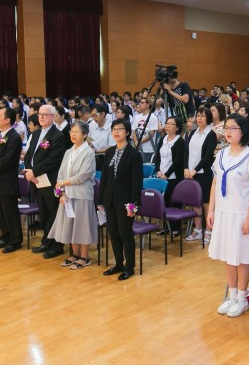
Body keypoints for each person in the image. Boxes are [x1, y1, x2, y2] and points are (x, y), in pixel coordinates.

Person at [209, 114, 249, 318]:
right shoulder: (222, 154)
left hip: (241, 214)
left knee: (241, 258)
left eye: (233, 128)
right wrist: (211, 210)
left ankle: (242, 298)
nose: (228, 132)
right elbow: (215, 183)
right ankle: (231, 296)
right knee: (228, 257)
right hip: (224, 212)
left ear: (244, 131)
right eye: (226, 128)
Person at [99, 118, 143, 281]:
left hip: (125, 201)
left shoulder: (134, 154)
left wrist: (133, 204)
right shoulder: (109, 152)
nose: (116, 132)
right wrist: (100, 200)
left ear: (127, 132)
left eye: (120, 129)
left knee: (125, 233)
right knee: (113, 233)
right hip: (110, 199)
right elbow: (104, 178)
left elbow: (136, 182)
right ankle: (118, 264)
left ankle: (129, 267)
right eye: (114, 129)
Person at [50, 120, 99, 268]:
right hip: (67, 195)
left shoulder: (88, 152)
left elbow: (82, 176)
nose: (73, 134)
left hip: (82, 194)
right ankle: (75, 255)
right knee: (71, 225)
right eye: (72, 131)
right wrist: (61, 192)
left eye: (77, 132)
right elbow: (60, 173)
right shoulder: (68, 152)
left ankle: (85, 257)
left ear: (84, 135)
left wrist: (62, 183)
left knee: (82, 226)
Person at [24, 104, 68, 258]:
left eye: (45, 114)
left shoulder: (57, 136)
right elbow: (29, 155)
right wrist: (29, 171)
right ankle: (46, 241)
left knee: (53, 213)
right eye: (40, 114)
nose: (41, 117)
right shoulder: (36, 134)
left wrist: (34, 172)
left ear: (53, 117)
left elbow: (53, 160)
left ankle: (57, 245)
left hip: (49, 181)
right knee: (43, 214)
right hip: (36, 180)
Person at [0, 107, 24, 253]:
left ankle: (15, 240)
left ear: (7, 120)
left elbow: (8, 160)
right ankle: (5, 236)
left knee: (10, 212)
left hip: (6, 181)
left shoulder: (14, 137)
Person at [183, 106, 217, 242]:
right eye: (198, 115)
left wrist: (195, 169)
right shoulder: (192, 132)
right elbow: (186, 152)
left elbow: (208, 156)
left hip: (203, 173)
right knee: (195, 202)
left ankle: (208, 231)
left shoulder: (211, 134)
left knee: (206, 202)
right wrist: (186, 168)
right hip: (190, 173)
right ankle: (197, 230)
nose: (199, 118)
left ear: (208, 118)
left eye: (203, 116)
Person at [153, 115, 185, 205]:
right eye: (166, 123)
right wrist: (158, 170)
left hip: (173, 177)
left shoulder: (180, 142)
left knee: (173, 204)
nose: (167, 126)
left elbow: (177, 161)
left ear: (177, 128)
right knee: (161, 204)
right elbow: (157, 156)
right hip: (161, 176)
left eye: (171, 124)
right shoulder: (162, 139)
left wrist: (167, 174)